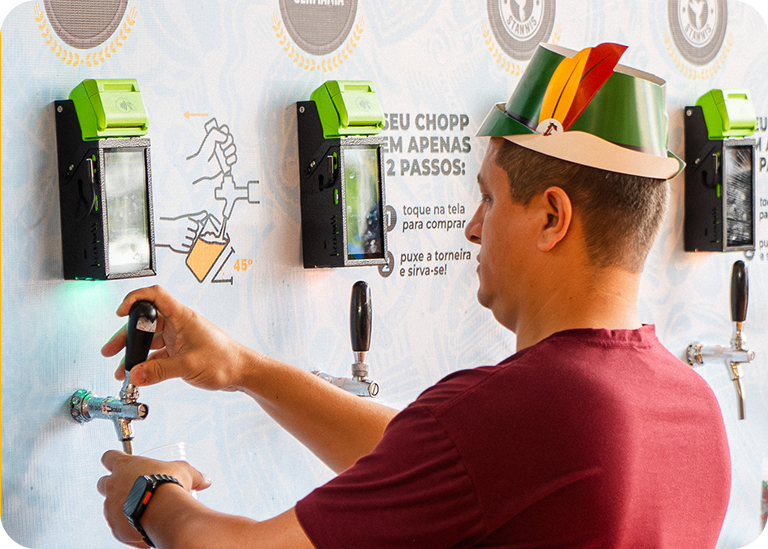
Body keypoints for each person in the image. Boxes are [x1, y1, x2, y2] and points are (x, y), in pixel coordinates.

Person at [97, 43, 731, 549]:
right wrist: (245, 369)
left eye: (489, 198)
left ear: (551, 218)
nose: (473, 228)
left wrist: (150, 497)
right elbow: (439, 463)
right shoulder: (693, 410)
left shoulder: (521, 409)